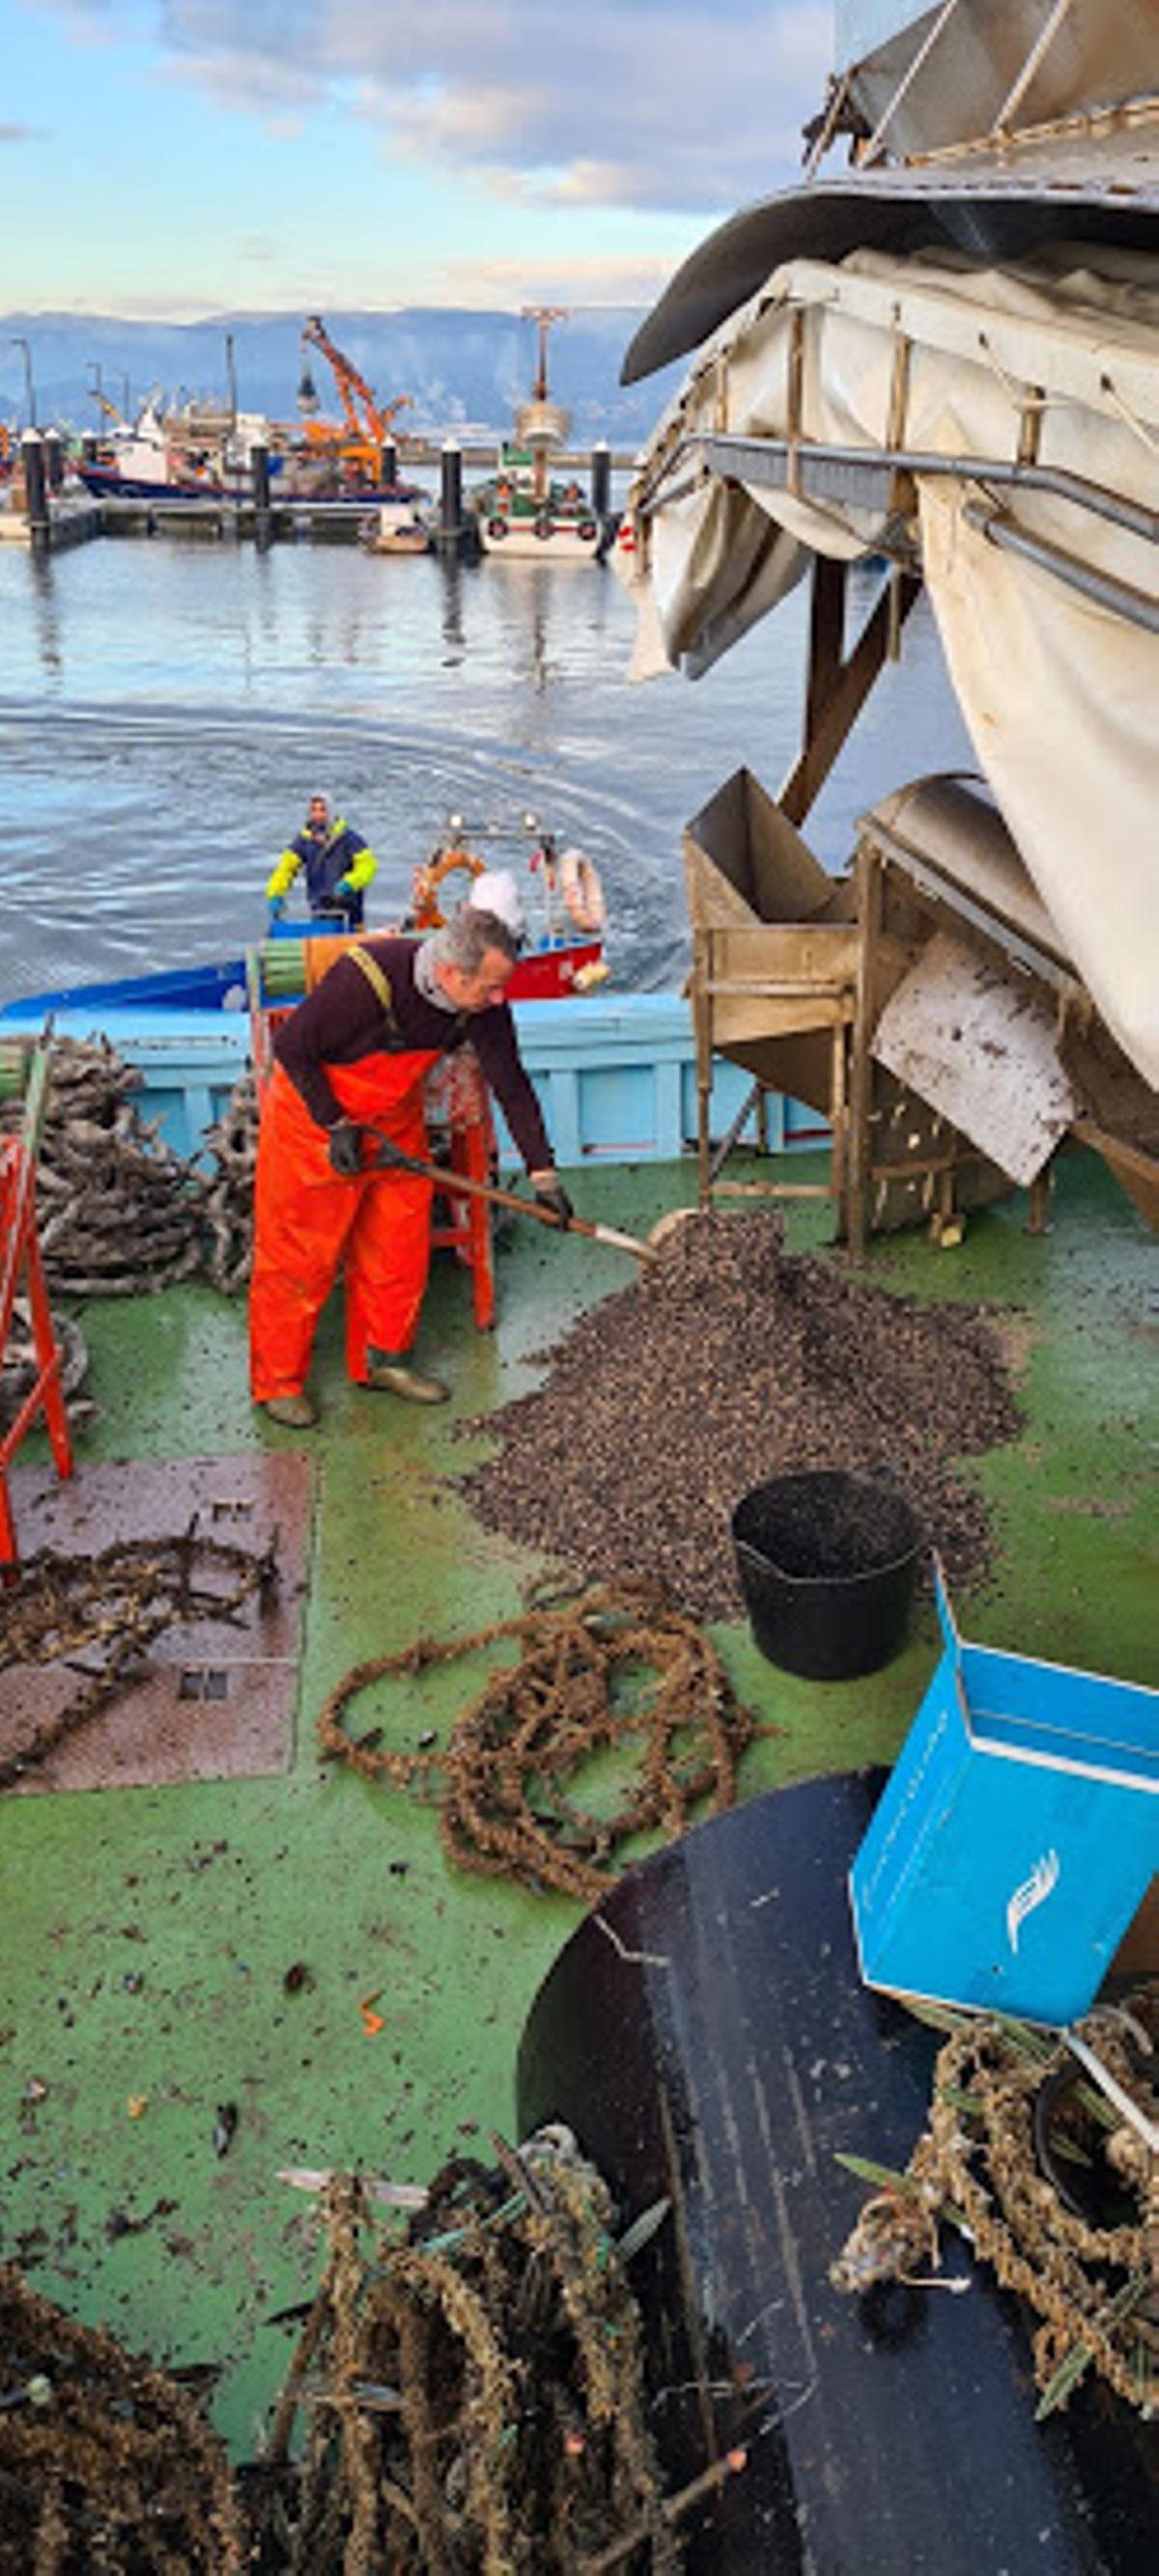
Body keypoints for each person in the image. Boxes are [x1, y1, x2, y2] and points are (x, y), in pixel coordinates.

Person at [249, 896, 574, 1428]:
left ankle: (385, 1362)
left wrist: (544, 1175)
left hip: (395, 1128)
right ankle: (277, 1382)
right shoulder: (365, 980)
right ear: (449, 972)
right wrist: (335, 1125)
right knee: (299, 1257)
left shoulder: (480, 1008)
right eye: (489, 987)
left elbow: (510, 1084)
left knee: (398, 1248)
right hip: (314, 1126)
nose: (499, 1000)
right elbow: (293, 1047)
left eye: (501, 987)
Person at [266, 794, 378, 930]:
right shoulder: (304, 841)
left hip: (349, 909)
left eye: (323, 810)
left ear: (331, 812)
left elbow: (368, 866)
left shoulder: (349, 839)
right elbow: (285, 869)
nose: (318, 815)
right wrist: (275, 894)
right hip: (319, 908)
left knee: (352, 940)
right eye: (314, 810)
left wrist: (350, 883)